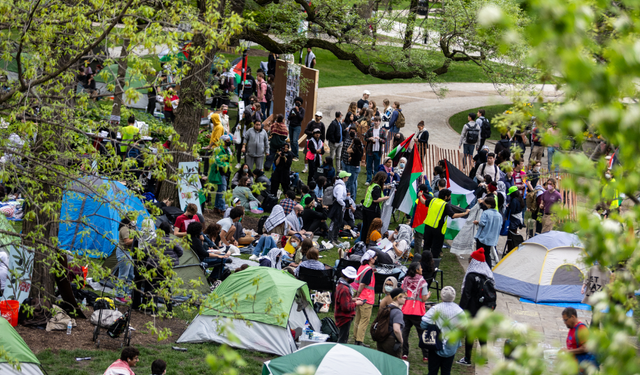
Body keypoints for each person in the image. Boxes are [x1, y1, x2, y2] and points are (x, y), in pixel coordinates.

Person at [457, 249, 495, 366]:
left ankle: (467, 358)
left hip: (473, 309)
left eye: (470, 259)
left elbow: (466, 295)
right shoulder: (488, 273)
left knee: (470, 334)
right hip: (485, 310)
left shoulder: (471, 276)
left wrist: (460, 309)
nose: (468, 261)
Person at [421, 286, 465, 375]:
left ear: (442, 296)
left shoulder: (435, 308)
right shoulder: (459, 311)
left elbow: (423, 323)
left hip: (435, 343)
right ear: (454, 296)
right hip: (451, 344)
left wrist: (432, 327)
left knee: (432, 371)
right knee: (446, 371)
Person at [419, 189, 470, 259]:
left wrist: (420, 196)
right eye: (449, 196)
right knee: (436, 248)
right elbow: (453, 215)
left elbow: (423, 202)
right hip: (438, 229)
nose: (450, 198)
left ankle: (424, 261)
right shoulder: (445, 205)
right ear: (446, 197)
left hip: (428, 226)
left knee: (426, 246)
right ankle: (433, 264)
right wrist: (465, 213)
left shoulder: (433, 200)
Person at [401, 263, 431, 362]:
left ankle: (404, 353)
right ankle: (425, 355)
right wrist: (428, 296)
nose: (422, 269)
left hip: (406, 310)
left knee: (404, 333)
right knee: (422, 334)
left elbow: (402, 293)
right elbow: (423, 299)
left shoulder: (405, 280)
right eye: (421, 267)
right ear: (417, 270)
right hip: (418, 312)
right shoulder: (423, 282)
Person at [562, 307, 598, 372]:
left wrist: (569, 351)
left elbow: (586, 348)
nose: (564, 322)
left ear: (573, 317)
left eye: (566, 320)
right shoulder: (572, 328)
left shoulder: (581, 328)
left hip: (582, 368)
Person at [353, 250, 377, 346]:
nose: (376, 259)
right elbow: (363, 284)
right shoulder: (368, 270)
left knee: (358, 319)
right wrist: (358, 294)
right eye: (375, 258)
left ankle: (356, 338)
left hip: (360, 298)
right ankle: (360, 341)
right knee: (364, 320)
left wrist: (357, 296)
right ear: (371, 259)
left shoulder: (362, 267)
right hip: (367, 298)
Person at [335, 266, 364, 343]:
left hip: (341, 316)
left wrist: (352, 299)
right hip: (344, 317)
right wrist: (356, 303)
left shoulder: (340, 285)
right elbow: (346, 307)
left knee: (343, 337)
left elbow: (342, 300)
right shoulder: (345, 289)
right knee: (342, 340)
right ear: (348, 278)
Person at [473, 196, 502, 268]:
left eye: (485, 203)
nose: (484, 204)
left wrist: (477, 222)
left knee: (479, 253)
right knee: (487, 254)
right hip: (491, 238)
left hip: (483, 237)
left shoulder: (486, 213)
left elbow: (483, 223)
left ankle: (478, 268)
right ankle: (488, 269)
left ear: (488, 205)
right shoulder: (499, 215)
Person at [377, 288, 406, 358]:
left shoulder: (386, 308)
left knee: (382, 363)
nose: (405, 299)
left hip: (381, 338)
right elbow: (396, 330)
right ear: (398, 298)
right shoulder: (397, 312)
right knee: (394, 364)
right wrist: (401, 340)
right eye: (404, 297)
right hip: (391, 341)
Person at [362, 171, 390, 243]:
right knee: (371, 227)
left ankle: (363, 240)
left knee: (365, 226)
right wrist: (386, 198)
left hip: (365, 208)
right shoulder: (377, 188)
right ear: (382, 179)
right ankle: (369, 241)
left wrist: (386, 187)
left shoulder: (372, 184)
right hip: (372, 210)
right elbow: (376, 199)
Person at [209, 134, 232, 215]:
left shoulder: (228, 150)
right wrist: (226, 165)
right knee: (223, 191)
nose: (229, 142)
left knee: (220, 190)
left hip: (226, 172)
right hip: (219, 172)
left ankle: (216, 207)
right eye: (227, 141)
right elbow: (217, 161)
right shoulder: (218, 150)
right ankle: (222, 209)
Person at [116, 217, 136, 303]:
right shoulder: (124, 228)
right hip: (123, 252)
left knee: (130, 275)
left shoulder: (132, 228)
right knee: (123, 275)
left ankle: (127, 294)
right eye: (134, 218)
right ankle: (119, 295)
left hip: (129, 252)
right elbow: (127, 241)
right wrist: (137, 238)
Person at [327, 170, 350, 244]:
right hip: (338, 205)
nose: (348, 178)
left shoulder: (342, 185)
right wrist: (343, 204)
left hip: (339, 205)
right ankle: (331, 239)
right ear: (344, 177)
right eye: (347, 176)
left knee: (338, 222)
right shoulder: (340, 186)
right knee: (334, 222)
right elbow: (339, 198)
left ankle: (335, 238)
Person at [364, 116, 386, 185]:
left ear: (380, 122)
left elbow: (384, 141)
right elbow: (365, 138)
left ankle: (375, 180)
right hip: (370, 150)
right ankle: (368, 180)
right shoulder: (370, 130)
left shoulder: (382, 131)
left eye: (377, 121)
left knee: (376, 167)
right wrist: (369, 139)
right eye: (375, 121)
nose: (376, 122)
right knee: (369, 166)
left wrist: (379, 139)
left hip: (378, 151)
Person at [344, 133, 363, 198]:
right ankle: (354, 195)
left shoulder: (354, 149)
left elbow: (347, 150)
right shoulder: (361, 149)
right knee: (354, 182)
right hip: (358, 166)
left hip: (353, 167)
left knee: (350, 183)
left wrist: (351, 144)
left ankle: (351, 196)